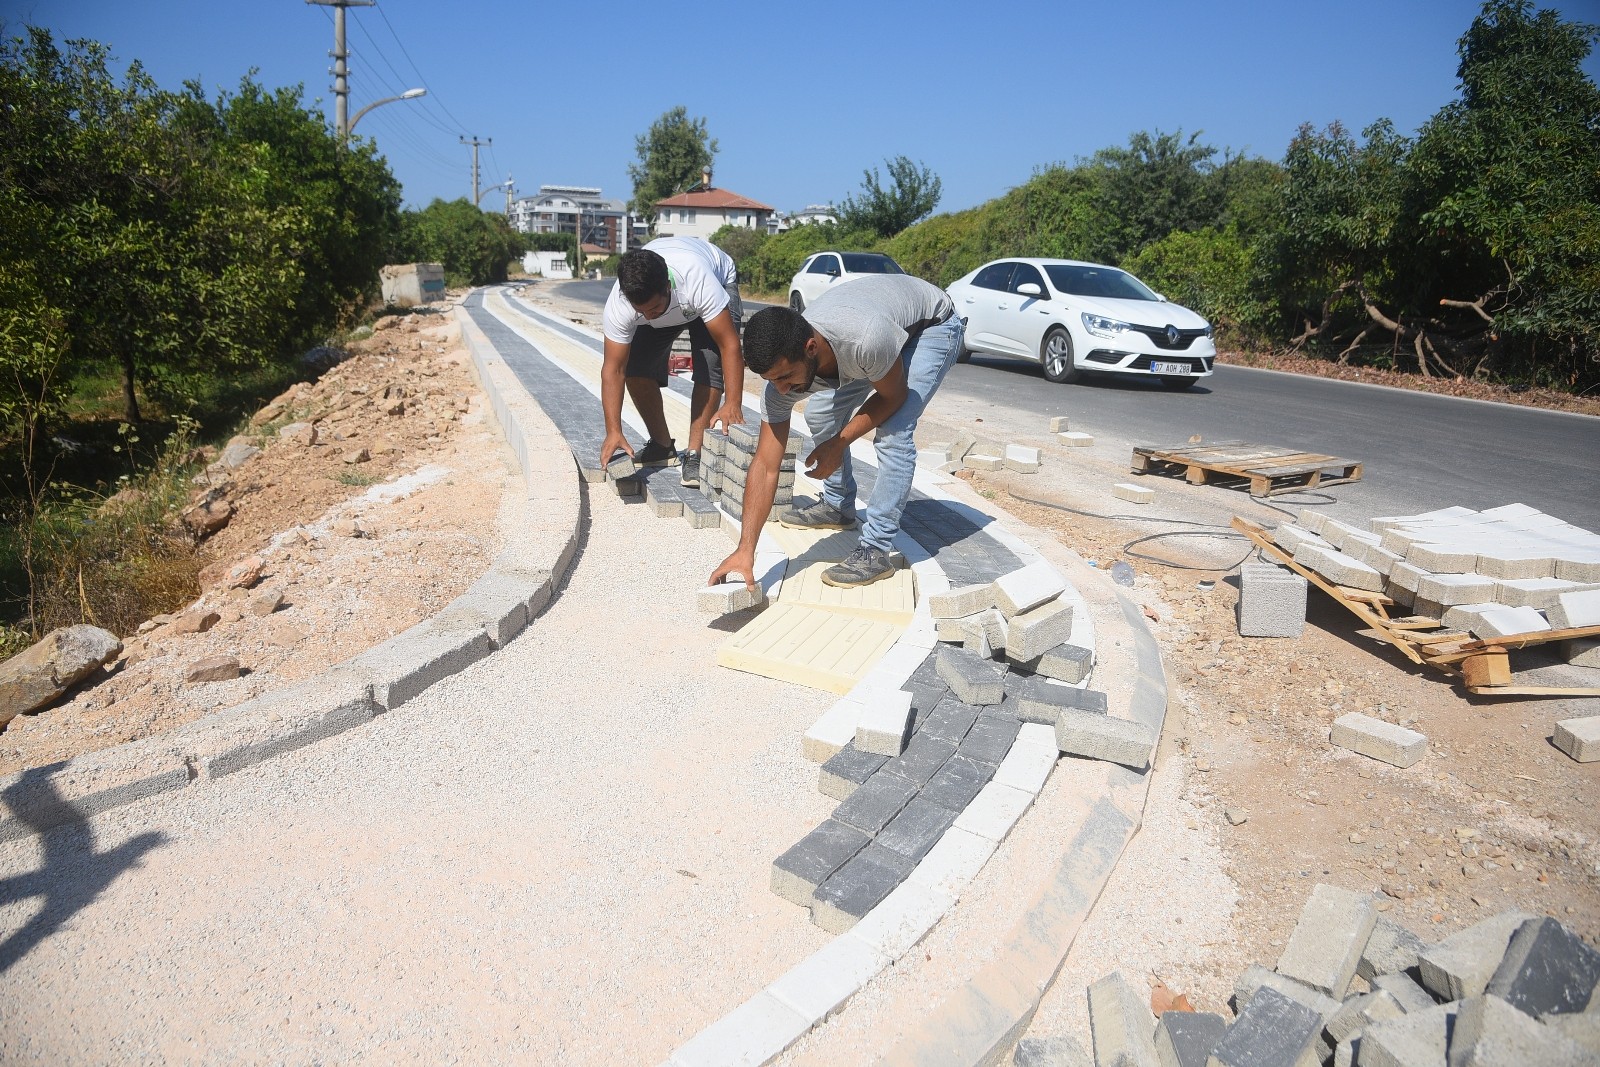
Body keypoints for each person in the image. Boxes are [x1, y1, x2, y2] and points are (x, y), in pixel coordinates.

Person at [708, 274, 964, 589]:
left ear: (811, 348)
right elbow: (765, 465)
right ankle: (837, 504)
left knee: (893, 431)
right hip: (869, 333)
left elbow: (892, 397)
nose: (783, 389)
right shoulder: (784, 379)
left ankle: (875, 549)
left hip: (929, 327)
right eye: (772, 380)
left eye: (787, 377)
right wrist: (745, 549)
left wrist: (838, 444)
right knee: (818, 412)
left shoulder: (865, 341)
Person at [598, 237, 745, 488]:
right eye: (640, 311)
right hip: (677, 301)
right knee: (635, 367)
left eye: (653, 309)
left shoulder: (698, 281)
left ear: (667, 286)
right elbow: (614, 369)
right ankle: (661, 446)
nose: (648, 316)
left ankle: (695, 454)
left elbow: (729, 346)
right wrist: (614, 430)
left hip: (715, 284)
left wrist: (733, 402)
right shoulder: (621, 304)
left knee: (709, 366)